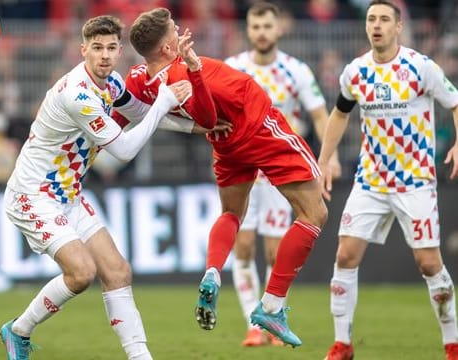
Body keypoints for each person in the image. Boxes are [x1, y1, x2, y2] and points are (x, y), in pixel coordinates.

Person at [0, 15, 206, 360]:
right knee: (81, 274)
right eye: (97, 48)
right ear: (83, 51)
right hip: (32, 195)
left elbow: (139, 112)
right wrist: (165, 101)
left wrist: (198, 129)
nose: (105, 55)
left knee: (118, 271)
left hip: (68, 195)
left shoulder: (110, 83)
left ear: (120, 50)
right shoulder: (78, 94)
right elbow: (124, 149)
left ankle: (141, 357)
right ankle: (18, 330)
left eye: (111, 48)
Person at [126, 7, 328, 347]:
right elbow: (205, 115)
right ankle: (272, 306)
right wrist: (195, 69)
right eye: (174, 30)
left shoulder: (138, 77)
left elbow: (132, 110)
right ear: (165, 48)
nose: (180, 32)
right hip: (258, 128)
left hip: (226, 144)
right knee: (315, 212)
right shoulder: (181, 75)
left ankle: (212, 271)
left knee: (232, 213)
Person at [317, 1, 458, 359]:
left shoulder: (420, 67)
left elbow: (455, 102)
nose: (376, 25)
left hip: (415, 181)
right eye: (371, 19)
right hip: (371, 181)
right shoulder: (356, 72)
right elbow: (339, 113)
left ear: (397, 27)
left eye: (383, 20)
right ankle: (342, 344)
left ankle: (452, 343)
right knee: (345, 255)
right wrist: (324, 157)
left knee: (428, 263)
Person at [223, 2, 341, 347]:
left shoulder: (296, 71)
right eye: (255, 26)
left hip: (280, 172)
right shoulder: (235, 68)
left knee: (277, 252)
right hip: (245, 170)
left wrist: (328, 157)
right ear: (248, 30)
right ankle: (253, 325)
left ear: (278, 29)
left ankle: (273, 315)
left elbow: (320, 115)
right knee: (243, 246)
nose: (261, 32)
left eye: (267, 26)